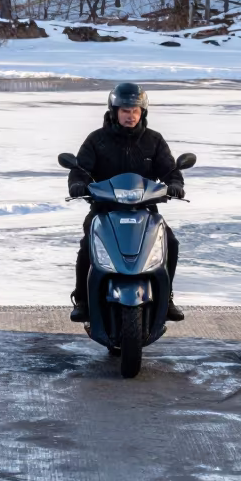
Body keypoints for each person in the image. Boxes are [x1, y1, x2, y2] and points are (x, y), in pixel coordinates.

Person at [67, 82, 186, 323]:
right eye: (124, 110)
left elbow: (170, 170)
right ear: (114, 111)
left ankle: (167, 296)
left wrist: (175, 184)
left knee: (170, 243)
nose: (130, 116)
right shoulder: (97, 140)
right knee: (87, 245)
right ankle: (82, 299)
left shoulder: (154, 140)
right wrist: (77, 184)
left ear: (142, 112)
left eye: (135, 111)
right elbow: (80, 169)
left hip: (145, 209)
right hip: (105, 209)